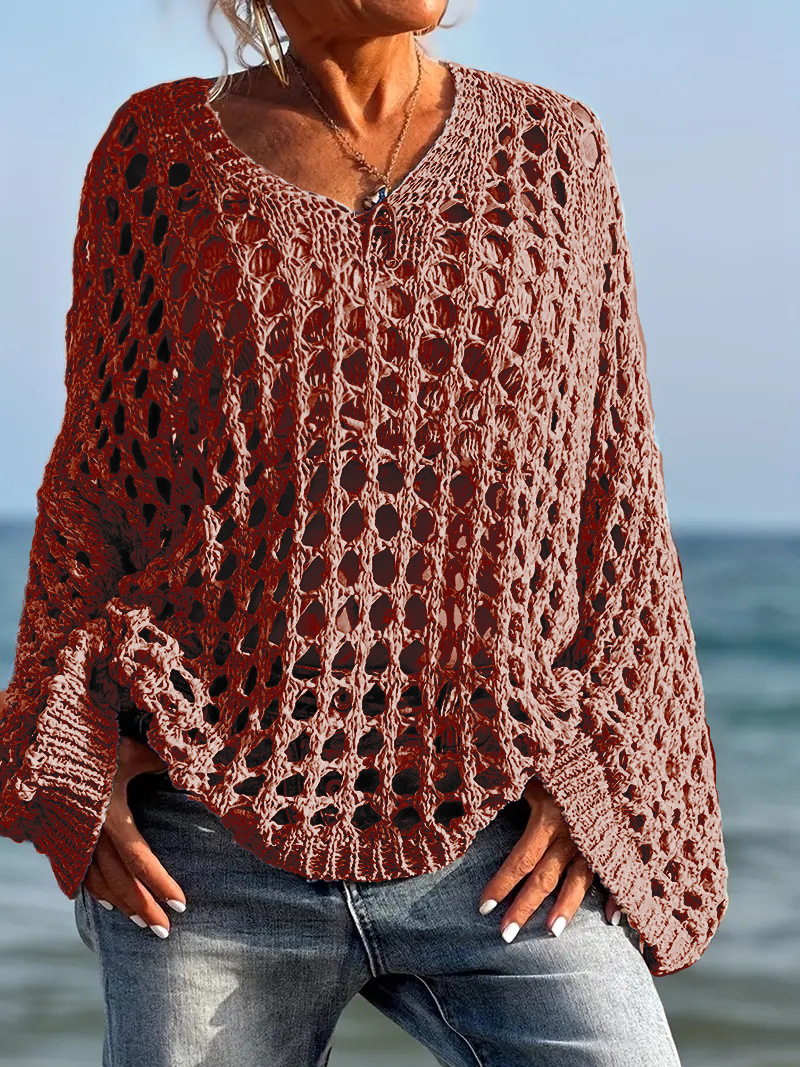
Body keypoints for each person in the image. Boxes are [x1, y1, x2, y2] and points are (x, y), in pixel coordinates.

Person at [0, 1, 729, 1064]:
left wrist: (605, 770)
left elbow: (613, 483)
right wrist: (79, 746)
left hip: (498, 830)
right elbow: (96, 483)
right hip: (205, 843)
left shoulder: (552, 150)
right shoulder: (157, 157)